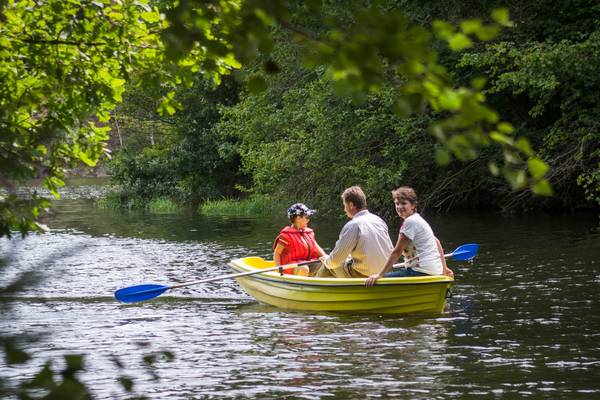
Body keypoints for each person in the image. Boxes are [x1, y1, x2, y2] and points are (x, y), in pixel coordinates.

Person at [365, 186, 453, 286]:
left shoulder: (410, 222)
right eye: (397, 204)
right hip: (433, 271)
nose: (399, 207)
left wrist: (379, 275)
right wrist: (443, 270)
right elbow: (437, 242)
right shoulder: (418, 220)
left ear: (413, 205)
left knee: (378, 281)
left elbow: (396, 252)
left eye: (404, 203)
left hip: (420, 272)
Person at [314, 186, 393, 278]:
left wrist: (326, 260)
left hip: (364, 275)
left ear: (351, 205)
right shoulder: (379, 220)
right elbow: (390, 250)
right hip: (385, 272)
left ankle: (313, 288)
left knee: (328, 265)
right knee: (342, 260)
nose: (344, 209)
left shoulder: (353, 225)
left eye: (344, 205)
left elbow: (335, 261)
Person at [273, 203, 326, 276]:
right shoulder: (285, 236)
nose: (308, 219)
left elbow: (317, 248)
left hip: (307, 263)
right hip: (291, 267)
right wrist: (278, 269)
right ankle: (302, 286)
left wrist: (327, 258)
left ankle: (317, 281)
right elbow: (277, 253)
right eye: (306, 217)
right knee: (304, 268)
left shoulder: (309, 233)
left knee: (326, 263)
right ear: (298, 218)